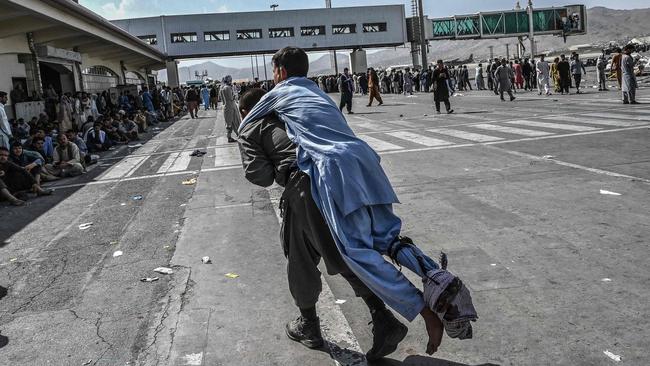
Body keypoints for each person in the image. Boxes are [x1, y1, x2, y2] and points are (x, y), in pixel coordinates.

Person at [239, 46, 476, 360]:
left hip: (325, 174)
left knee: (352, 252)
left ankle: (422, 311)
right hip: (364, 163)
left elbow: (257, 162)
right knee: (386, 240)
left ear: (280, 73)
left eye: (273, 73)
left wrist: (249, 133)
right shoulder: (316, 94)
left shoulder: (275, 98)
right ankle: (437, 283)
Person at [219, 75, 241, 142]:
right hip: (231, 106)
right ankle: (238, 135)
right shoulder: (228, 88)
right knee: (236, 121)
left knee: (228, 122)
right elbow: (231, 98)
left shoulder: (222, 88)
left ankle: (229, 137)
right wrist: (235, 95)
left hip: (226, 107)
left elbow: (222, 99)